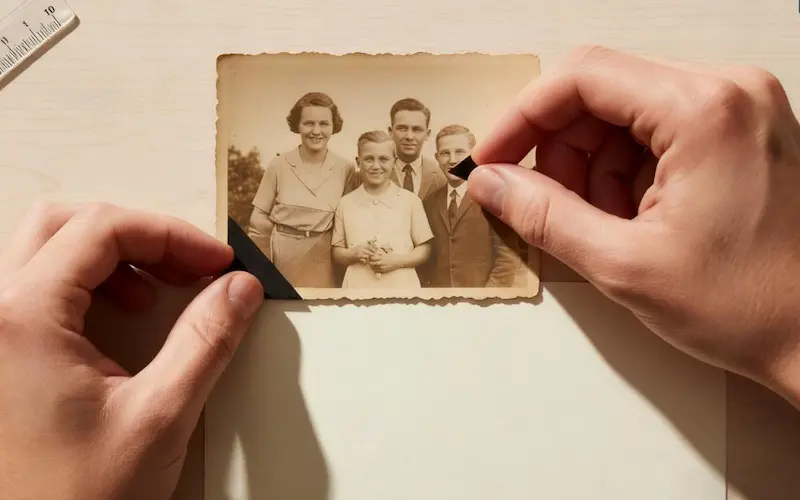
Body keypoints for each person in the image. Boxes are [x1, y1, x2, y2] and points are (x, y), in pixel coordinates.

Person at [1, 46, 800, 499]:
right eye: (393, 141)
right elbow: (315, 235)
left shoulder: (411, 191)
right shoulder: (334, 185)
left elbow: (432, 250)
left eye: (420, 139)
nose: (396, 152)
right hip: (313, 287)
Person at [246, 91, 357, 288]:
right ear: (298, 125)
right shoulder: (279, 165)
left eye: (324, 124)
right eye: (308, 123)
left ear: (334, 126)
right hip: (282, 257)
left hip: (324, 260)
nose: (316, 131)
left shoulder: (345, 168)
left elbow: (347, 223)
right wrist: (265, 264)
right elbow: (258, 218)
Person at [419, 124, 522, 288]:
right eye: (445, 153)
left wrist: (485, 297)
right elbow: (426, 259)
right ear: (437, 158)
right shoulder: (429, 202)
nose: (452, 159)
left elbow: (508, 260)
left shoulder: (492, 198)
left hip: (480, 297)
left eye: (459, 152)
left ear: (473, 156)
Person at [331, 130, 433, 288]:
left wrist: (397, 261)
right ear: (358, 162)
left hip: (401, 286)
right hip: (358, 286)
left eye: (383, 159)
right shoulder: (346, 203)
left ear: (394, 162)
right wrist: (354, 253)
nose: (376, 166)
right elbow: (337, 251)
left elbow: (424, 249)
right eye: (368, 159)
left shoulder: (411, 201)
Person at [386, 97, 447, 200]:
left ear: (427, 134)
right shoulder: (376, 171)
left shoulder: (441, 175)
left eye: (417, 129)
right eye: (402, 128)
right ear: (390, 131)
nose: (409, 136)